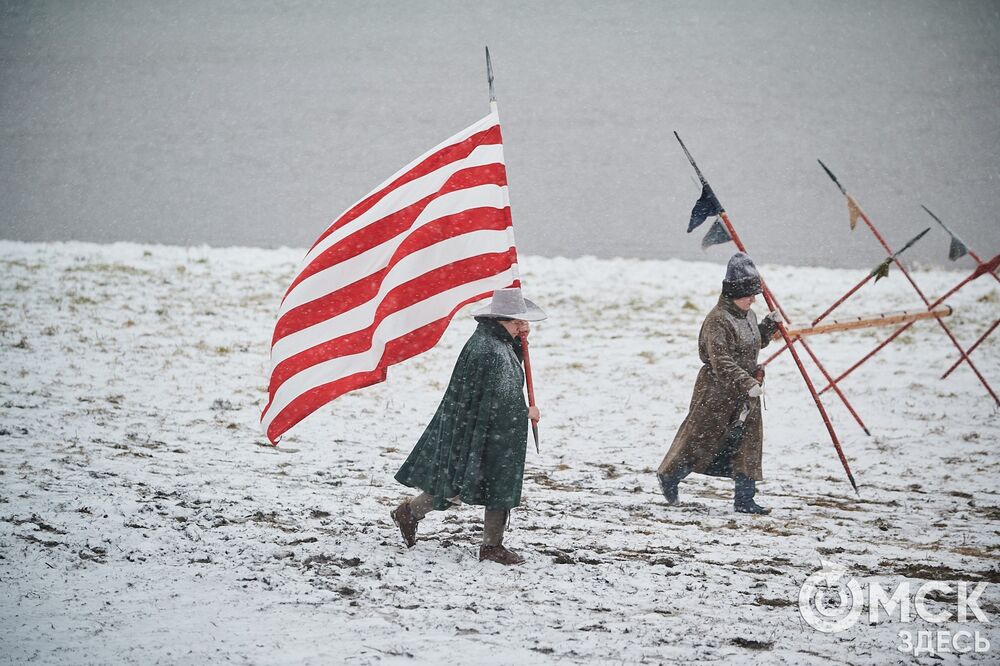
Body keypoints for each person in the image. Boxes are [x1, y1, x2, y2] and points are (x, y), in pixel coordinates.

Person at [391, 287, 546, 565]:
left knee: (458, 483)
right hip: (489, 430)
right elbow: (502, 398)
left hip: (477, 426)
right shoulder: (492, 350)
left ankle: (410, 513)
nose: (523, 326)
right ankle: (491, 547)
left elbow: (500, 380)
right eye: (517, 322)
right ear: (500, 320)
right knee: (489, 484)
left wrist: (519, 343)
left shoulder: (490, 340)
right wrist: (526, 411)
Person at [656, 252, 781, 514]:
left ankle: (745, 499)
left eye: (755, 294)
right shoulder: (717, 320)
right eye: (749, 294)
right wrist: (746, 381)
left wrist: (768, 327)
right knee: (700, 440)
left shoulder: (747, 314)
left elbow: (750, 344)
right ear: (734, 294)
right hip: (716, 391)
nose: (754, 299)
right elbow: (721, 361)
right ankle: (670, 476)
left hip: (746, 391)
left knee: (748, 443)